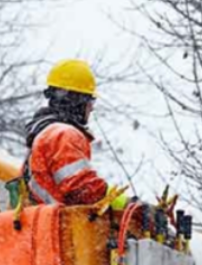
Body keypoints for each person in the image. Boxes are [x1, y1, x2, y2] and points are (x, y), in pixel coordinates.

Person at [22, 59, 126, 207]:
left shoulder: (43, 134)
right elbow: (85, 190)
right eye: (90, 101)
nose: (92, 108)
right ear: (77, 101)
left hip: (43, 224)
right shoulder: (64, 135)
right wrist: (131, 207)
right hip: (57, 227)